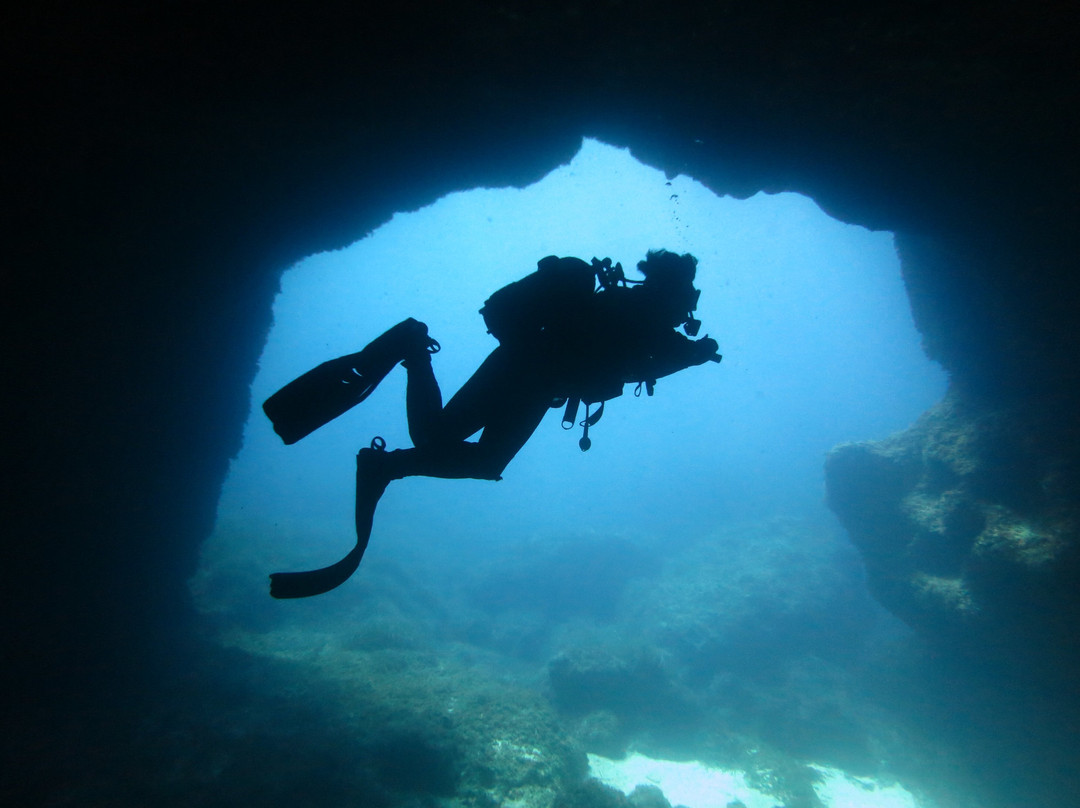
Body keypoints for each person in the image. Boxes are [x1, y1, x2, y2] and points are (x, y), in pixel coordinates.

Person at [266, 249, 721, 598]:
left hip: (529, 378)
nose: (690, 305)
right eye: (688, 294)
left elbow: (639, 360)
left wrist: (692, 355)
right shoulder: (639, 315)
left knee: (457, 448)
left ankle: (396, 427)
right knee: (455, 448)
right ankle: (400, 404)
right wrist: (696, 355)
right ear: (671, 289)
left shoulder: (638, 313)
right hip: (522, 374)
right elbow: (642, 360)